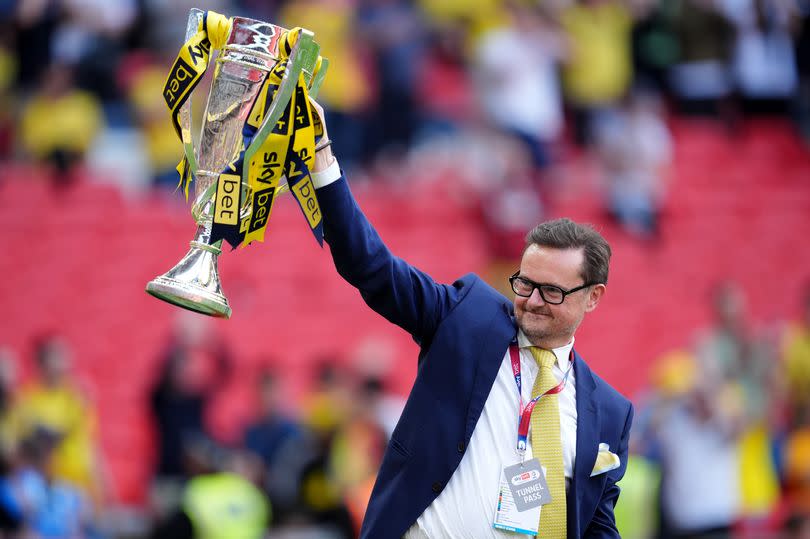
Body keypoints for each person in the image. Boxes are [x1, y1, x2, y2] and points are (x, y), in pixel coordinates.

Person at [306, 100, 634, 538]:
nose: (533, 300)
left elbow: (596, 526)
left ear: (593, 298)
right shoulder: (466, 319)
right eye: (525, 283)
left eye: (552, 291)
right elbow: (372, 268)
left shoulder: (611, 413)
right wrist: (323, 158)